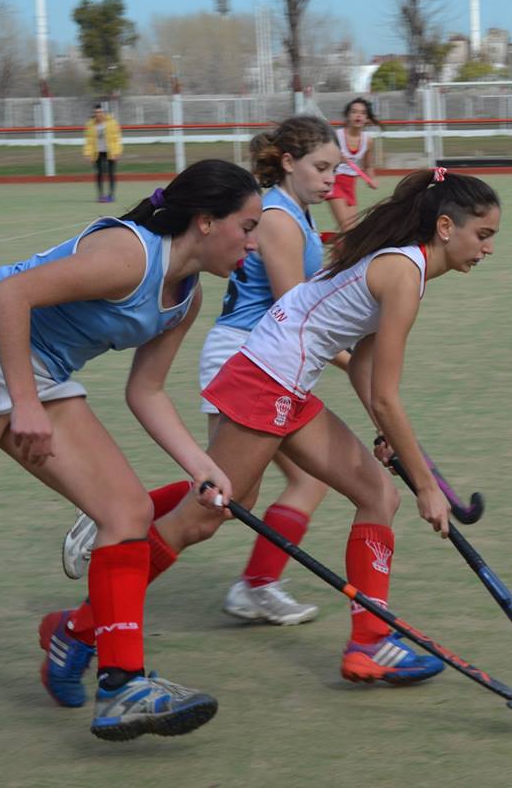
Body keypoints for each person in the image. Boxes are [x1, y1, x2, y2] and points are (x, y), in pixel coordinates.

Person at [45, 166, 501, 700]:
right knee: (198, 522)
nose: (488, 249)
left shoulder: (405, 267)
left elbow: (362, 369)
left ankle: (371, 643)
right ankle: (74, 631)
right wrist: (426, 484)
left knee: (377, 494)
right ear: (446, 226)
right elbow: (384, 393)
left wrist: (388, 437)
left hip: (284, 383)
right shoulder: (404, 273)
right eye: (483, 235)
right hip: (265, 380)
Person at [0, 159, 261, 741]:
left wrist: (202, 468)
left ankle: (121, 687)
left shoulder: (184, 300)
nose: (254, 245)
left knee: (126, 513)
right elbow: (9, 295)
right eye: (248, 227)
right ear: (207, 222)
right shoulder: (130, 256)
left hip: (41, 372)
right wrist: (24, 402)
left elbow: (147, 391)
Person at [61, 115, 344, 627]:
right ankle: (105, 591)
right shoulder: (276, 218)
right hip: (249, 355)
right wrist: (350, 357)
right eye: (321, 167)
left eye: (336, 169)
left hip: (272, 359)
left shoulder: (293, 215)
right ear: (287, 163)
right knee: (224, 502)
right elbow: (291, 307)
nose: (330, 178)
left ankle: (249, 581)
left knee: (263, 489)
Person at [325, 97, 382, 230]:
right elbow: (323, 160)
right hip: (335, 183)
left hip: (351, 186)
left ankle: (337, 251)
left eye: (363, 113)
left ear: (367, 118)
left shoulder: (367, 140)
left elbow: (368, 166)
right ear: (348, 116)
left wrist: (371, 179)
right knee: (346, 228)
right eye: (354, 112)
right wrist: (336, 157)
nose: (358, 115)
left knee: (352, 232)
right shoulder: (335, 136)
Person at [84, 103, 123, 204]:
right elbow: (89, 140)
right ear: (94, 113)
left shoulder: (112, 123)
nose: (99, 114)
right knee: (99, 174)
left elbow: (117, 139)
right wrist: (88, 153)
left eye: (100, 112)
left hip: (110, 152)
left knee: (111, 174)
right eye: (96, 112)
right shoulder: (90, 124)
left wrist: (117, 152)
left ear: (104, 113)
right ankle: (101, 195)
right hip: (97, 152)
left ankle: (111, 195)